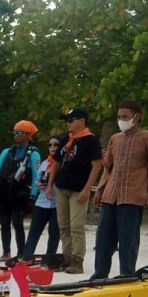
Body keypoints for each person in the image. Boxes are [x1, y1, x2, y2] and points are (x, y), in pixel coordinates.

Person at [90, 100, 148, 279]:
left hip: (133, 196)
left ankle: (127, 273)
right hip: (110, 196)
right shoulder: (115, 138)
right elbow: (108, 167)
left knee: (128, 239)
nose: (121, 120)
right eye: (119, 116)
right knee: (103, 239)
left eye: (124, 116)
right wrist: (100, 190)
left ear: (136, 117)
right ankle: (100, 273)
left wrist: (146, 188)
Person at [48, 108, 103, 274]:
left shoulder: (91, 140)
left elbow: (96, 165)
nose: (68, 123)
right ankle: (67, 257)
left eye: (71, 120)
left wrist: (88, 189)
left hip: (78, 188)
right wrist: (50, 184)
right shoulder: (66, 140)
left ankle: (78, 260)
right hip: (62, 186)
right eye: (67, 120)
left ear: (82, 120)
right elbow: (56, 162)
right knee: (63, 225)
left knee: (76, 225)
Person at [0, 120, 41, 261]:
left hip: (21, 193)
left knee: (17, 223)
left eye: (20, 133)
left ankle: (21, 253)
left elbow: (36, 176)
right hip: (4, 192)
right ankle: (6, 253)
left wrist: (33, 196)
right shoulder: (6, 152)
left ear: (28, 135)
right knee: (4, 223)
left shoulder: (33, 154)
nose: (16, 135)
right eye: (15, 132)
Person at [22, 135, 62, 260]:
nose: (53, 147)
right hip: (42, 201)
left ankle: (50, 258)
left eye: (56, 145)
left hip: (57, 203)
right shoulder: (45, 163)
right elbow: (38, 178)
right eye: (50, 145)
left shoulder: (63, 163)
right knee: (34, 231)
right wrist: (39, 184)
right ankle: (26, 256)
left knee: (54, 233)